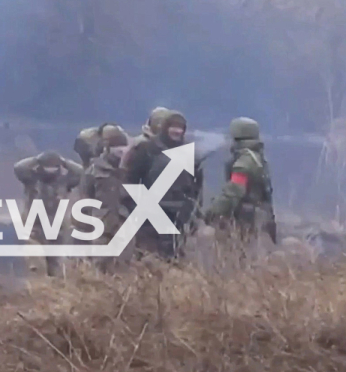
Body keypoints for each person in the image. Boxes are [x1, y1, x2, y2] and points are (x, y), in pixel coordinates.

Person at [122, 109, 204, 259]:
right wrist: (135, 206)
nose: (177, 131)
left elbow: (197, 187)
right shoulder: (147, 149)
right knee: (147, 257)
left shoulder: (191, 154)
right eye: (173, 126)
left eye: (181, 127)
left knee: (173, 258)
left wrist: (194, 213)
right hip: (150, 215)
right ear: (165, 127)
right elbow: (131, 179)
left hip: (178, 215)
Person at [203, 117, 277, 249]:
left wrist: (212, 212)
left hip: (246, 220)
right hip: (260, 215)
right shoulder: (258, 158)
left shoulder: (243, 163)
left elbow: (234, 191)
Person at [14, 151, 83, 277]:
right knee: (36, 264)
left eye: (54, 167)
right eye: (47, 167)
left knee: (56, 267)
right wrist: (36, 159)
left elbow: (80, 172)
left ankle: (54, 291)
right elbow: (19, 168)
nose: (50, 171)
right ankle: (39, 288)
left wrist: (64, 161)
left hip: (57, 229)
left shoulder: (64, 181)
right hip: (34, 228)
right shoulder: (32, 179)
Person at [81, 126, 134, 272]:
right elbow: (86, 197)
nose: (121, 150)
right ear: (108, 148)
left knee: (124, 268)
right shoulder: (94, 170)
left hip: (124, 224)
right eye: (117, 146)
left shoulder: (131, 169)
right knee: (99, 266)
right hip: (101, 224)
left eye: (123, 147)